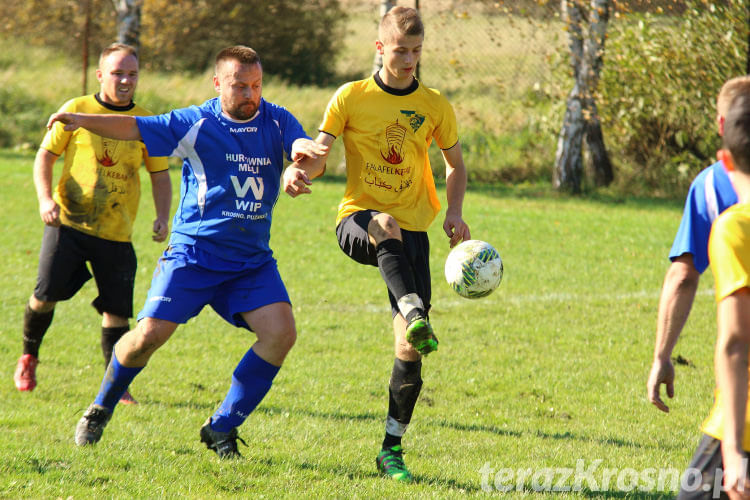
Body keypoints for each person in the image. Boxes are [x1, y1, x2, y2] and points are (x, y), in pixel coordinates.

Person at [47, 45, 328, 457]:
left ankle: (221, 427)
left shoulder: (277, 118)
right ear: (217, 84)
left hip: (250, 262)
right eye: (239, 86)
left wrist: (299, 167)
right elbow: (136, 128)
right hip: (193, 255)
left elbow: (306, 150)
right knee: (146, 337)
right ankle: (101, 406)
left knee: (281, 334)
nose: (250, 94)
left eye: (256, 85)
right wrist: (80, 120)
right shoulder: (196, 122)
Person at [283, 6, 471, 481]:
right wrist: (300, 170)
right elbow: (321, 155)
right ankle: (413, 310)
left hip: (415, 232)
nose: (409, 61)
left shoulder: (434, 105)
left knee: (410, 350)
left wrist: (453, 212)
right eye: (401, 51)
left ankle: (391, 448)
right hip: (358, 221)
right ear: (380, 48)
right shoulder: (351, 97)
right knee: (384, 223)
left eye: (416, 52)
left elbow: (455, 164)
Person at [14, 43, 172, 405]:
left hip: (116, 232)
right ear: (101, 75)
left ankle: (116, 387)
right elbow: (45, 157)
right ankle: (28, 357)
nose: (126, 80)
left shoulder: (148, 123)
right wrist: (45, 199)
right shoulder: (76, 109)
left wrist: (163, 216)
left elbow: (160, 176)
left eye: (132, 74)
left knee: (117, 312)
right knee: (44, 297)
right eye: (118, 73)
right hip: (67, 223)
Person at [647, 76, 750, 413]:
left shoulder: (711, 186)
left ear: (722, 123)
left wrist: (662, 355)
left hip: (742, 378)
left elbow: (683, 277)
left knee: (720, 465)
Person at [676, 93, 750, 500]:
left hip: (742, 425)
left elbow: (737, 342)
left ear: (725, 159)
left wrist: (734, 451)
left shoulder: (735, 228)